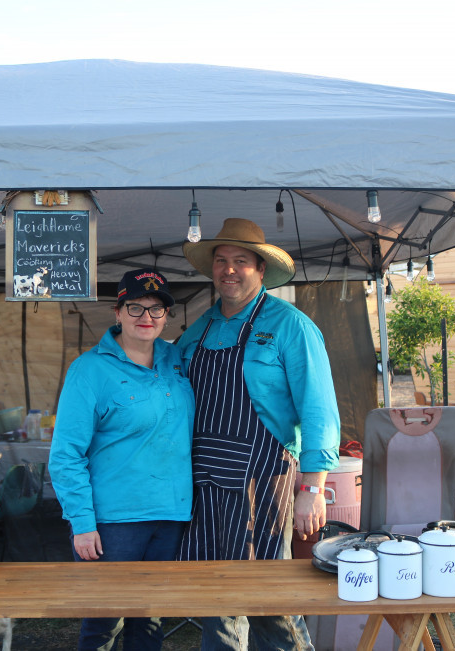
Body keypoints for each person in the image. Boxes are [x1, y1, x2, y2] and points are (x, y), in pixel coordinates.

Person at [178, 218, 341, 651]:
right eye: (221, 261)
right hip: (205, 480)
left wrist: (314, 487)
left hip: (263, 476)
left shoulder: (291, 326)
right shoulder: (197, 331)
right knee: (216, 589)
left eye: (241, 262)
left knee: (267, 595)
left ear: (261, 269)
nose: (229, 270)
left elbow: (319, 409)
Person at [49, 268, 194, 651]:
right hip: (114, 524)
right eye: (135, 307)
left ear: (166, 316)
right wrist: (82, 523)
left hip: (170, 515)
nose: (146, 317)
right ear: (117, 312)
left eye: (156, 309)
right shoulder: (89, 370)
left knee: (148, 621)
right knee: (102, 624)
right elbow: (66, 455)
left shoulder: (176, 359)